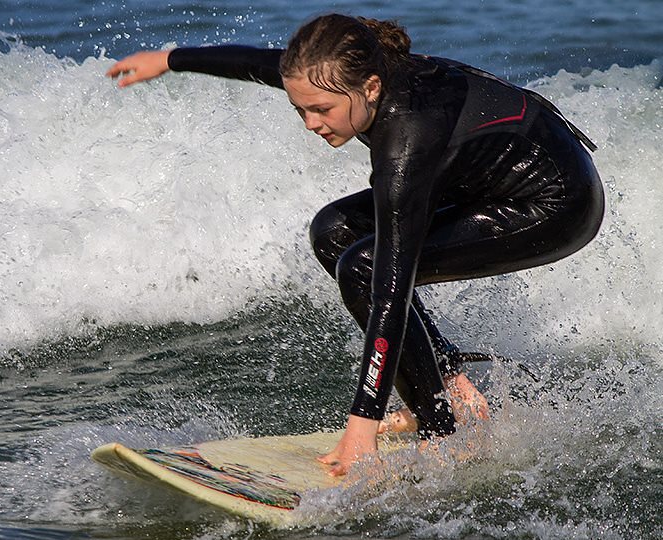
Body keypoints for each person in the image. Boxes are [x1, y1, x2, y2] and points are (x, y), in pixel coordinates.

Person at [106, 14, 604, 476]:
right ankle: (449, 388)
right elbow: (256, 63)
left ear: (369, 89)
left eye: (321, 110)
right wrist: (169, 60)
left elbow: (392, 286)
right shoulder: (355, 73)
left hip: (553, 202)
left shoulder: (406, 140)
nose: (311, 123)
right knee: (333, 230)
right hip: (480, 177)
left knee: (364, 268)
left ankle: (440, 432)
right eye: (299, 109)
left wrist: (360, 424)